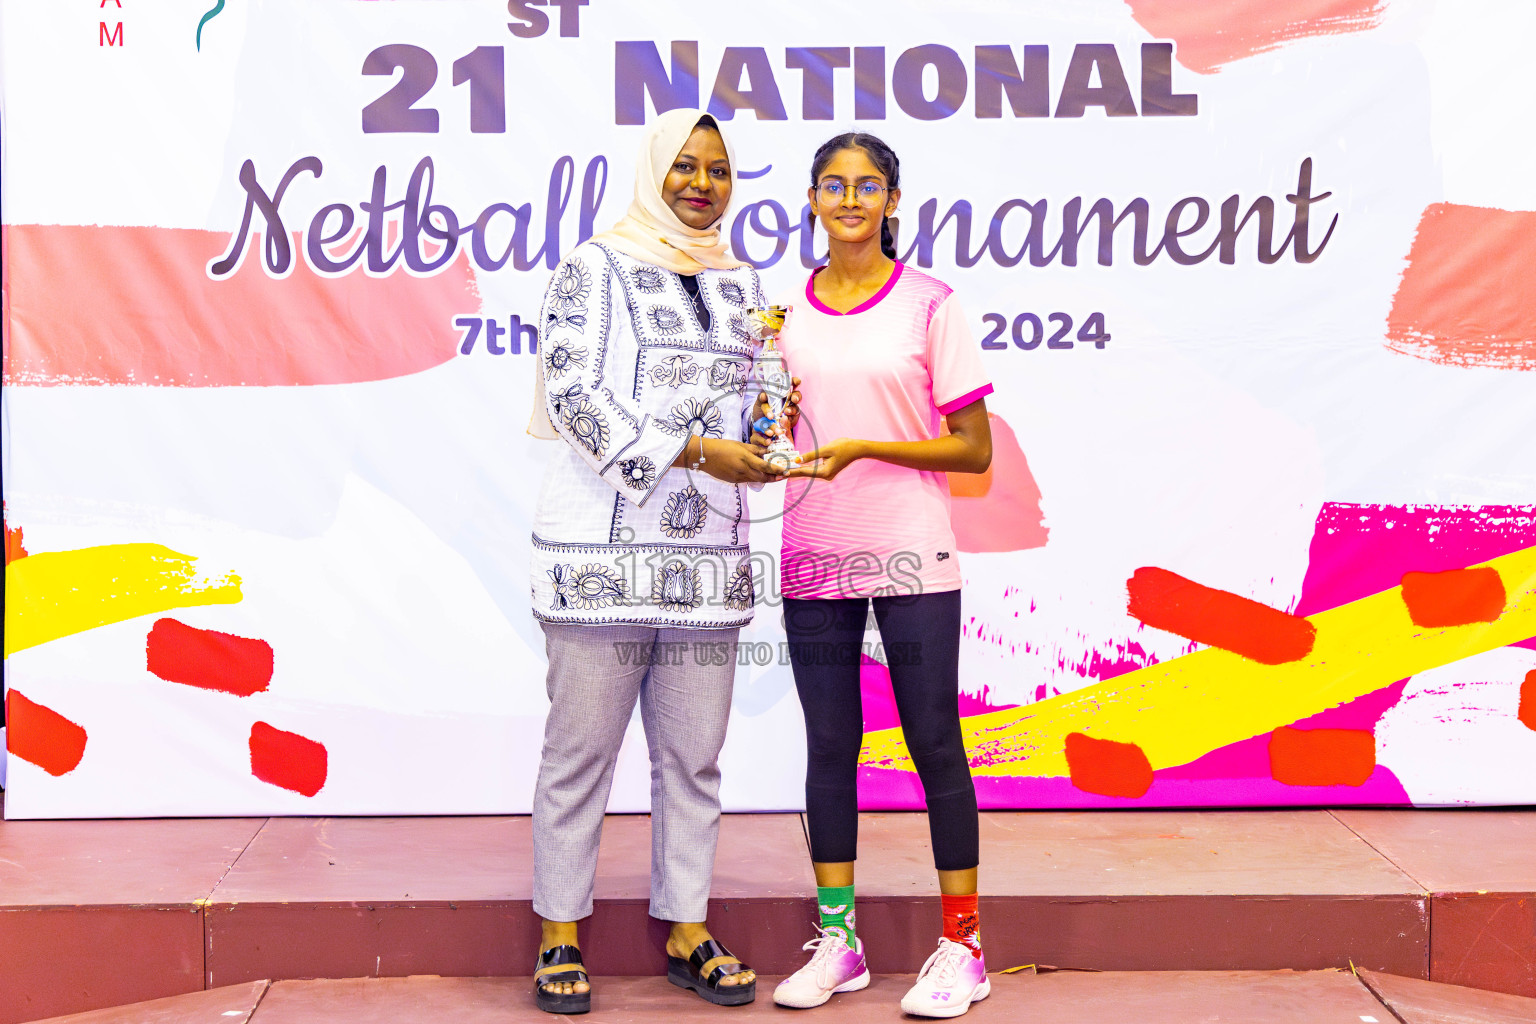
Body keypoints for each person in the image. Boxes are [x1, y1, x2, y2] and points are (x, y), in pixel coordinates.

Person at [526, 108, 782, 1014]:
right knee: (579, 754)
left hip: (706, 563)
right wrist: (696, 452)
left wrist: (763, 431)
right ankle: (559, 931)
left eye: (716, 169)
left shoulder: (744, 283)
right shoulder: (594, 266)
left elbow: (758, 399)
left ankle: (686, 925)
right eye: (684, 166)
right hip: (600, 556)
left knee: (693, 758)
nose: (701, 184)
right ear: (652, 170)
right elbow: (575, 398)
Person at [768, 132, 994, 1017]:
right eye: (834, 184)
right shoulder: (782, 314)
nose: (851, 199)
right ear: (814, 199)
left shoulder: (932, 306)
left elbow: (973, 451)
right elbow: (774, 433)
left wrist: (867, 448)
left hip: (911, 555)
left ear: (893, 201)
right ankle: (840, 941)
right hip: (813, 555)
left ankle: (964, 946)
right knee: (831, 748)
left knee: (936, 744)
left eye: (868, 186)